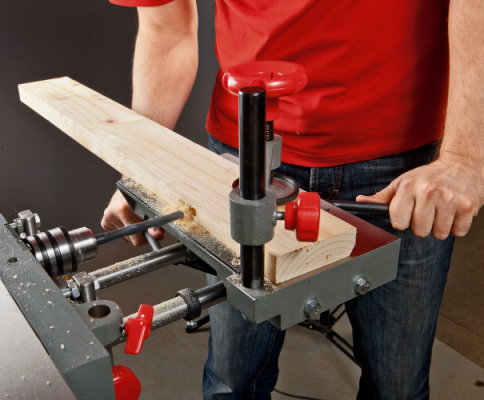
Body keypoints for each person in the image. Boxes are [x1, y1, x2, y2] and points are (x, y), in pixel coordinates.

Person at [101, 0, 484, 399]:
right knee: (232, 382)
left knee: (397, 387)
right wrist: (140, 167)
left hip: (401, 163)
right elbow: (167, 30)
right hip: (244, 156)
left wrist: (466, 157)